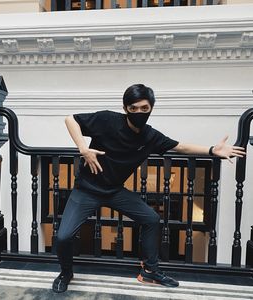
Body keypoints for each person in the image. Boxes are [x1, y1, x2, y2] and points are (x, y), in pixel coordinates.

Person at [52, 84, 246, 293]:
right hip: (87, 190)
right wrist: (84, 149)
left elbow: (180, 146)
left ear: (151, 108)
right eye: (133, 108)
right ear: (126, 108)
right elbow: (70, 119)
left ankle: (150, 271)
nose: (138, 113)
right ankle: (66, 272)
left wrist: (212, 150)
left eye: (144, 109)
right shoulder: (107, 120)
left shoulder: (150, 136)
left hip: (115, 191)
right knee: (63, 237)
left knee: (151, 219)